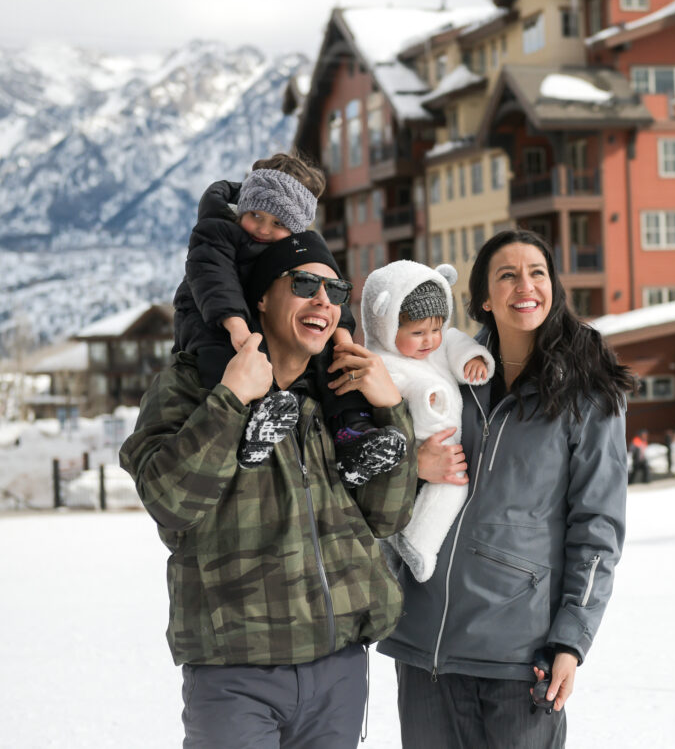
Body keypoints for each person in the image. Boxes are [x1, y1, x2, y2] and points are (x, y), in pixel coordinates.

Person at [120, 231, 418, 748]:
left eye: (335, 290)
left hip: (337, 673)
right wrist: (232, 398)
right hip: (237, 674)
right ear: (261, 296)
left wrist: (391, 409)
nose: (323, 302)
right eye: (304, 284)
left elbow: (388, 516)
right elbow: (169, 502)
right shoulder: (192, 386)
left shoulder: (337, 397)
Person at [378, 229, 633, 748]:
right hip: (425, 646)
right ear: (483, 299)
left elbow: (598, 528)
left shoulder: (587, 393)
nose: (526, 285)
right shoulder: (443, 374)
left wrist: (571, 640)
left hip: (521, 660)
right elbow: (371, 468)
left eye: (537, 272)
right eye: (508, 275)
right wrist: (410, 465)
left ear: (553, 288)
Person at [171, 152, 404, 481]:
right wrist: (236, 326)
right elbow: (214, 278)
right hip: (208, 312)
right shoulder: (219, 229)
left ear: (296, 229)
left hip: (255, 316)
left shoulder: (301, 250)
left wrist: (341, 340)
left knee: (331, 364)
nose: (263, 230)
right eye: (255, 215)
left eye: (279, 223)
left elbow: (329, 290)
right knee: (223, 355)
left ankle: (353, 431)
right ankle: (254, 420)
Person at [360, 259, 494, 582]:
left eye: (435, 328)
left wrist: (471, 360)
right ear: (387, 327)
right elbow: (398, 388)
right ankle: (414, 544)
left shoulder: (439, 344)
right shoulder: (382, 361)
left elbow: (456, 342)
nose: (429, 341)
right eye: (417, 333)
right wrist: (426, 396)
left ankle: (415, 541)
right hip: (418, 446)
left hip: (445, 447)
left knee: (451, 491)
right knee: (444, 491)